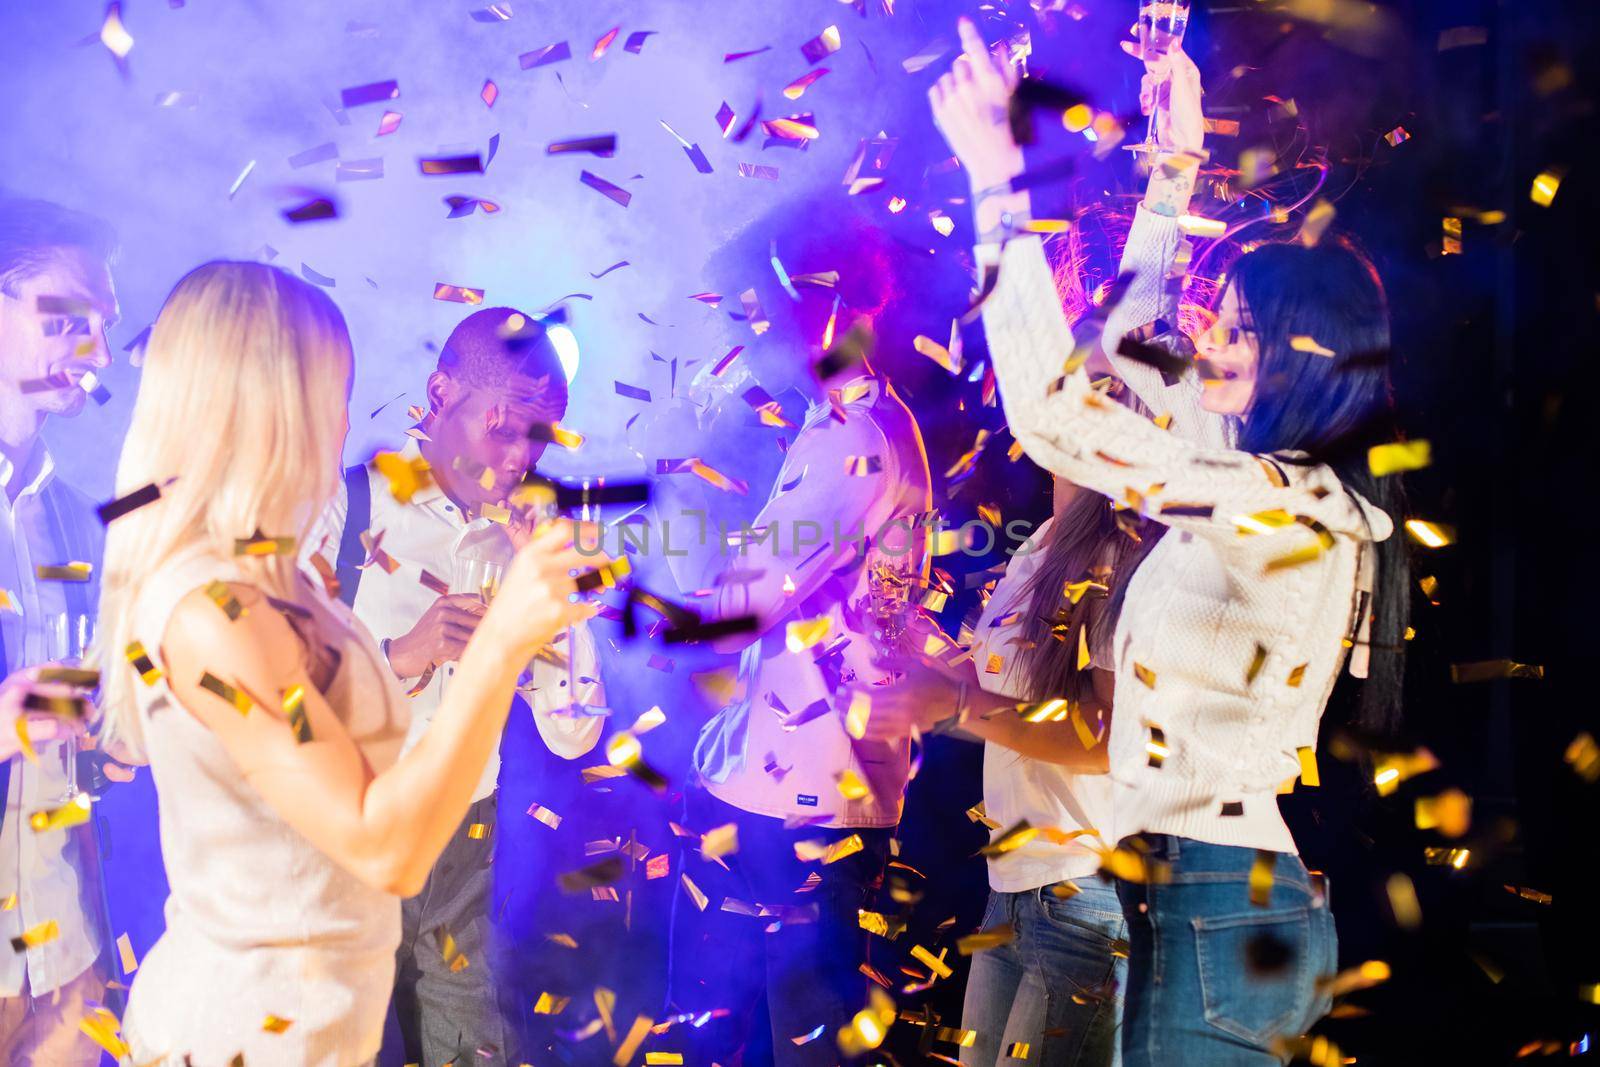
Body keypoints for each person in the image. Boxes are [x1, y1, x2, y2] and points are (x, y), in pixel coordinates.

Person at [877, 19, 1411, 1065]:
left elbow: (1058, 411)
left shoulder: (1283, 507)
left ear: (1310, 364)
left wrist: (998, 185)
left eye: (1242, 331)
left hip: (1221, 899)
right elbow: (1132, 349)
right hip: (1194, 887)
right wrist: (1173, 171)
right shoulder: (1250, 481)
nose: (1209, 339)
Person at [88, 260, 604, 1066]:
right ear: (256, 408)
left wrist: (550, 617)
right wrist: (502, 641)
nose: (343, 423)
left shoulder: (277, 577)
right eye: (327, 395)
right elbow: (385, 846)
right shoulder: (217, 609)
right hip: (242, 1038)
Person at [662, 203, 933, 1065]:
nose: (750, 331)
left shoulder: (853, 436)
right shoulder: (838, 424)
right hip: (788, 793)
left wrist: (616, 573)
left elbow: (736, 609)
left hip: (804, 810)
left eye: (761, 307)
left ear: (827, 306)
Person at [307, 305, 604, 1067]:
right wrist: (399, 654)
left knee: (473, 1053)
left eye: (536, 440)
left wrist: (558, 601)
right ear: (440, 392)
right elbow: (273, 690)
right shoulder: (344, 505)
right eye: (502, 429)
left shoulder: (519, 539)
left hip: (464, 841)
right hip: (347, 833)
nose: (517, 459)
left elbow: (575, 732)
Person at [0, 194, 135, 1066]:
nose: (89, 353)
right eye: (63, 321)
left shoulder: (72, 516)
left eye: (101, 327)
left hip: (71, 942)